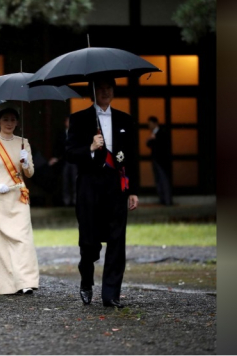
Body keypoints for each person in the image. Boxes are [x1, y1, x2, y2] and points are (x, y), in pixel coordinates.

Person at [65, 78, 139, 308]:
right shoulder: (78, 119)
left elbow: (133, 157)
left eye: (108, 87)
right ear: (92, 92)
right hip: (89, 186)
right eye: (100, 88)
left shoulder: (125, 119)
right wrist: (89, 148)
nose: (105, 91)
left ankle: (110, 294)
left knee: (117, 240)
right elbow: (69, 154)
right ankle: (86, 281)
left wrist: (133, 190)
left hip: (116, 186)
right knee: (89, 242)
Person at [0, 102, 40, 295]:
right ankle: (1, 284)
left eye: (13, 119)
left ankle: (25, 281)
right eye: (5, 119)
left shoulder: (23, 142)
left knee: (23, 239)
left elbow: (30, 173)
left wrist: (26, 162)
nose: (9, 123)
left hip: (18, 197)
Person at [49, 116, 78, 206]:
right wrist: (55, 157)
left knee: (75, 180)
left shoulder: (76, 134)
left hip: (74, 160)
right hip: (64, 160)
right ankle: (66, 200)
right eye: (67, 121)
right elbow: (57, 147)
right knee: (64, 181)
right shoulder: (61, 134)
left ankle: (75, 200)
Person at [146, 116, 173, 206]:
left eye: (150, 124)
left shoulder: (161, 132)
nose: (149, 126)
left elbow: (163, 145)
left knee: (164, 180)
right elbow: (148, 144)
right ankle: (162, 199)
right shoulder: (153, 134)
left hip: (162, 160)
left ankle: (167, 200)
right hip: (155, 160)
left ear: (155, 123)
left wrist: (154, 139)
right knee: (158, 180)